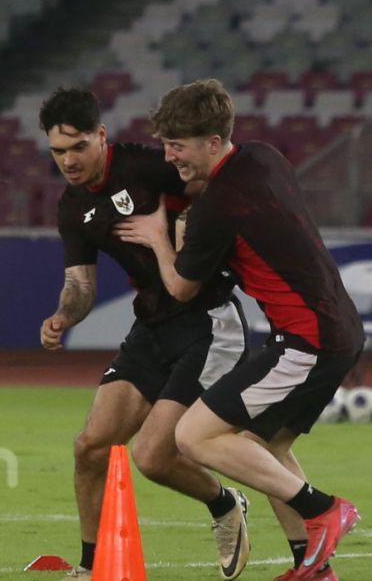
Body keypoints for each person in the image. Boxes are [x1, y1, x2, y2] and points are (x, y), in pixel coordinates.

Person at [115, 78, 363, 581]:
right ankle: (312, 570)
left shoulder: (217, 207)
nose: (170, 157)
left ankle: (323, 509)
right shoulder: (264, 157)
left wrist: (162, 241)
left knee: (194, 436)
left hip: (306, 339)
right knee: (263, 448)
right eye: (166, 144)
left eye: (178, 146)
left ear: (212, 142)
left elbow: (182, 288)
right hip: (334, 327)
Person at [38, 87, 258, 580]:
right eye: (58, 151)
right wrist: (62, 317)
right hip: (153, 326)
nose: (68, 161)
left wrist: (184, 223)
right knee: (90, 446)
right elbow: (81, 284)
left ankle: (224, 503)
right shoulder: (73, 207)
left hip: (207, 321)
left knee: (153, 455)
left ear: (100, 135)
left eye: (77, 147)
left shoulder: (143, 166)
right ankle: (92, 567)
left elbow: (214, 185)